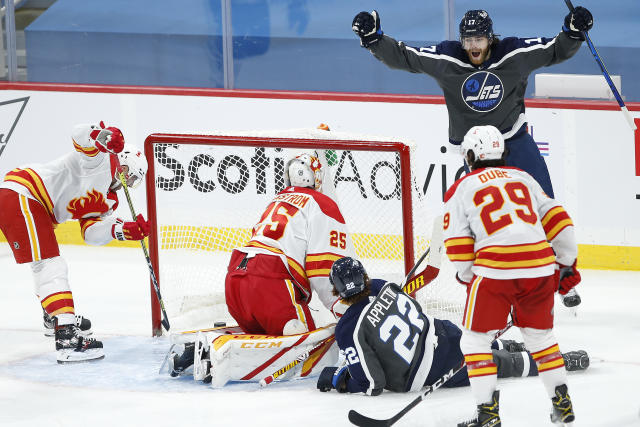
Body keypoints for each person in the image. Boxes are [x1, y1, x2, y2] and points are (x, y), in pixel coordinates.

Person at [351, 6, 594, 198]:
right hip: (477, 152)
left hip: (515, 141)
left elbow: (553, 49)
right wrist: (375, 40)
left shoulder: (514, 53)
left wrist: (572, 32)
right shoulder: (448, 58)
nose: (473, 46)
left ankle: (550, 255)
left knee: (543, 201)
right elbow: (406, 57)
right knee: (489, 211)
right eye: (467, 41)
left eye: (478, 39)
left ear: (490, 38)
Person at [441, 125, 582, 426]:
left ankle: (487, 415)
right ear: (502, 152)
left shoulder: (461, 187)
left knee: (475, 342)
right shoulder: (524, 178)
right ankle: (562, 404)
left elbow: (456, 242)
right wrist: (566, 262)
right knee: (541, 338)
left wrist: (468, 276)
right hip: (541, 267)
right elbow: (559, 219)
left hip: (495, 271)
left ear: (468, 155)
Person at [316, 257, 588, 398]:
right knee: (484, 345)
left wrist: (339, 379)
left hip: (431, 370)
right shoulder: (381, 284)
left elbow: (372, 384)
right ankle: (514, 344)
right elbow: (417, 310)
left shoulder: (347, 330)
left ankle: (559, 361)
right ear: (363, 276)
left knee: (502, 365)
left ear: (337, 292)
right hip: (441, 331)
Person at [0, 122, 150, 363]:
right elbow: (79, 135)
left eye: (133, 181)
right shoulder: (101, 160)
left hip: (34, 206)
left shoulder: (108, 200)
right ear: (123, 161)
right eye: (130, 175)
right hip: (23, 193)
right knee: (50, 265)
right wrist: (102, 136)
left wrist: (122, 230)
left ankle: (56, 317)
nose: (127, 183)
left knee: (45, 264)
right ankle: (67, 338)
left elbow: (90, 233)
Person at [224, 151, 352, 336]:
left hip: (235, 279)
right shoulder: (321, 203)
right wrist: (344, 307)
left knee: (263, 350)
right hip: (271, 284)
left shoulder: (277, 199)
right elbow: (324, 265)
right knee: (308, 349)